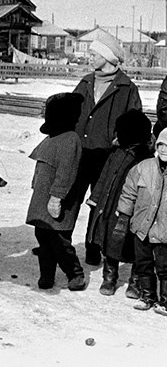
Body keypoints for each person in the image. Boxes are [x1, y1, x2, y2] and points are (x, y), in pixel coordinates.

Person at [73, 32, 141, 266]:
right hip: (81, 151)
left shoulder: (126, 88)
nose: (89, 58)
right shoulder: (85, 82)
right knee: (70, 197)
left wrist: (120, 138)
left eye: (93, 54)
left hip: (107, 156)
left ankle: (93, 247)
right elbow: (71, 111)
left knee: (99, 203)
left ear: (107, 56)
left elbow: (135, 120)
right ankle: (57, 243)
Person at [86, 109, 152, 296]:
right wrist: (95, 198)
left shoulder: (144, 159)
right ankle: (109, 277)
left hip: (130, 209)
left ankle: (135, 280)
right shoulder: (115, 154)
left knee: (132, 243)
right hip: (109, 207)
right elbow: (104, 177)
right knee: (110, 241)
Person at [27, 92, 87, 291]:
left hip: (57, 201)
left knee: (59, 241)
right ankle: (47, 275)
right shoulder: (53, 136)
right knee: (43, 239)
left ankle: (75, 273)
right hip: (42, 198)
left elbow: (66, 172)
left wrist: (56, 197)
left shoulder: (71, 140)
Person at [116, 126, 167, 314]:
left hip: (164, 231)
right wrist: (123, 217)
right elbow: (128, 193)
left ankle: (165, 301)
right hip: (142, 228)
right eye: (161, 145)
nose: (163, 149)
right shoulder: (143, 167)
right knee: (143, 264)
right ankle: (147, 296)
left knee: (164, 267)